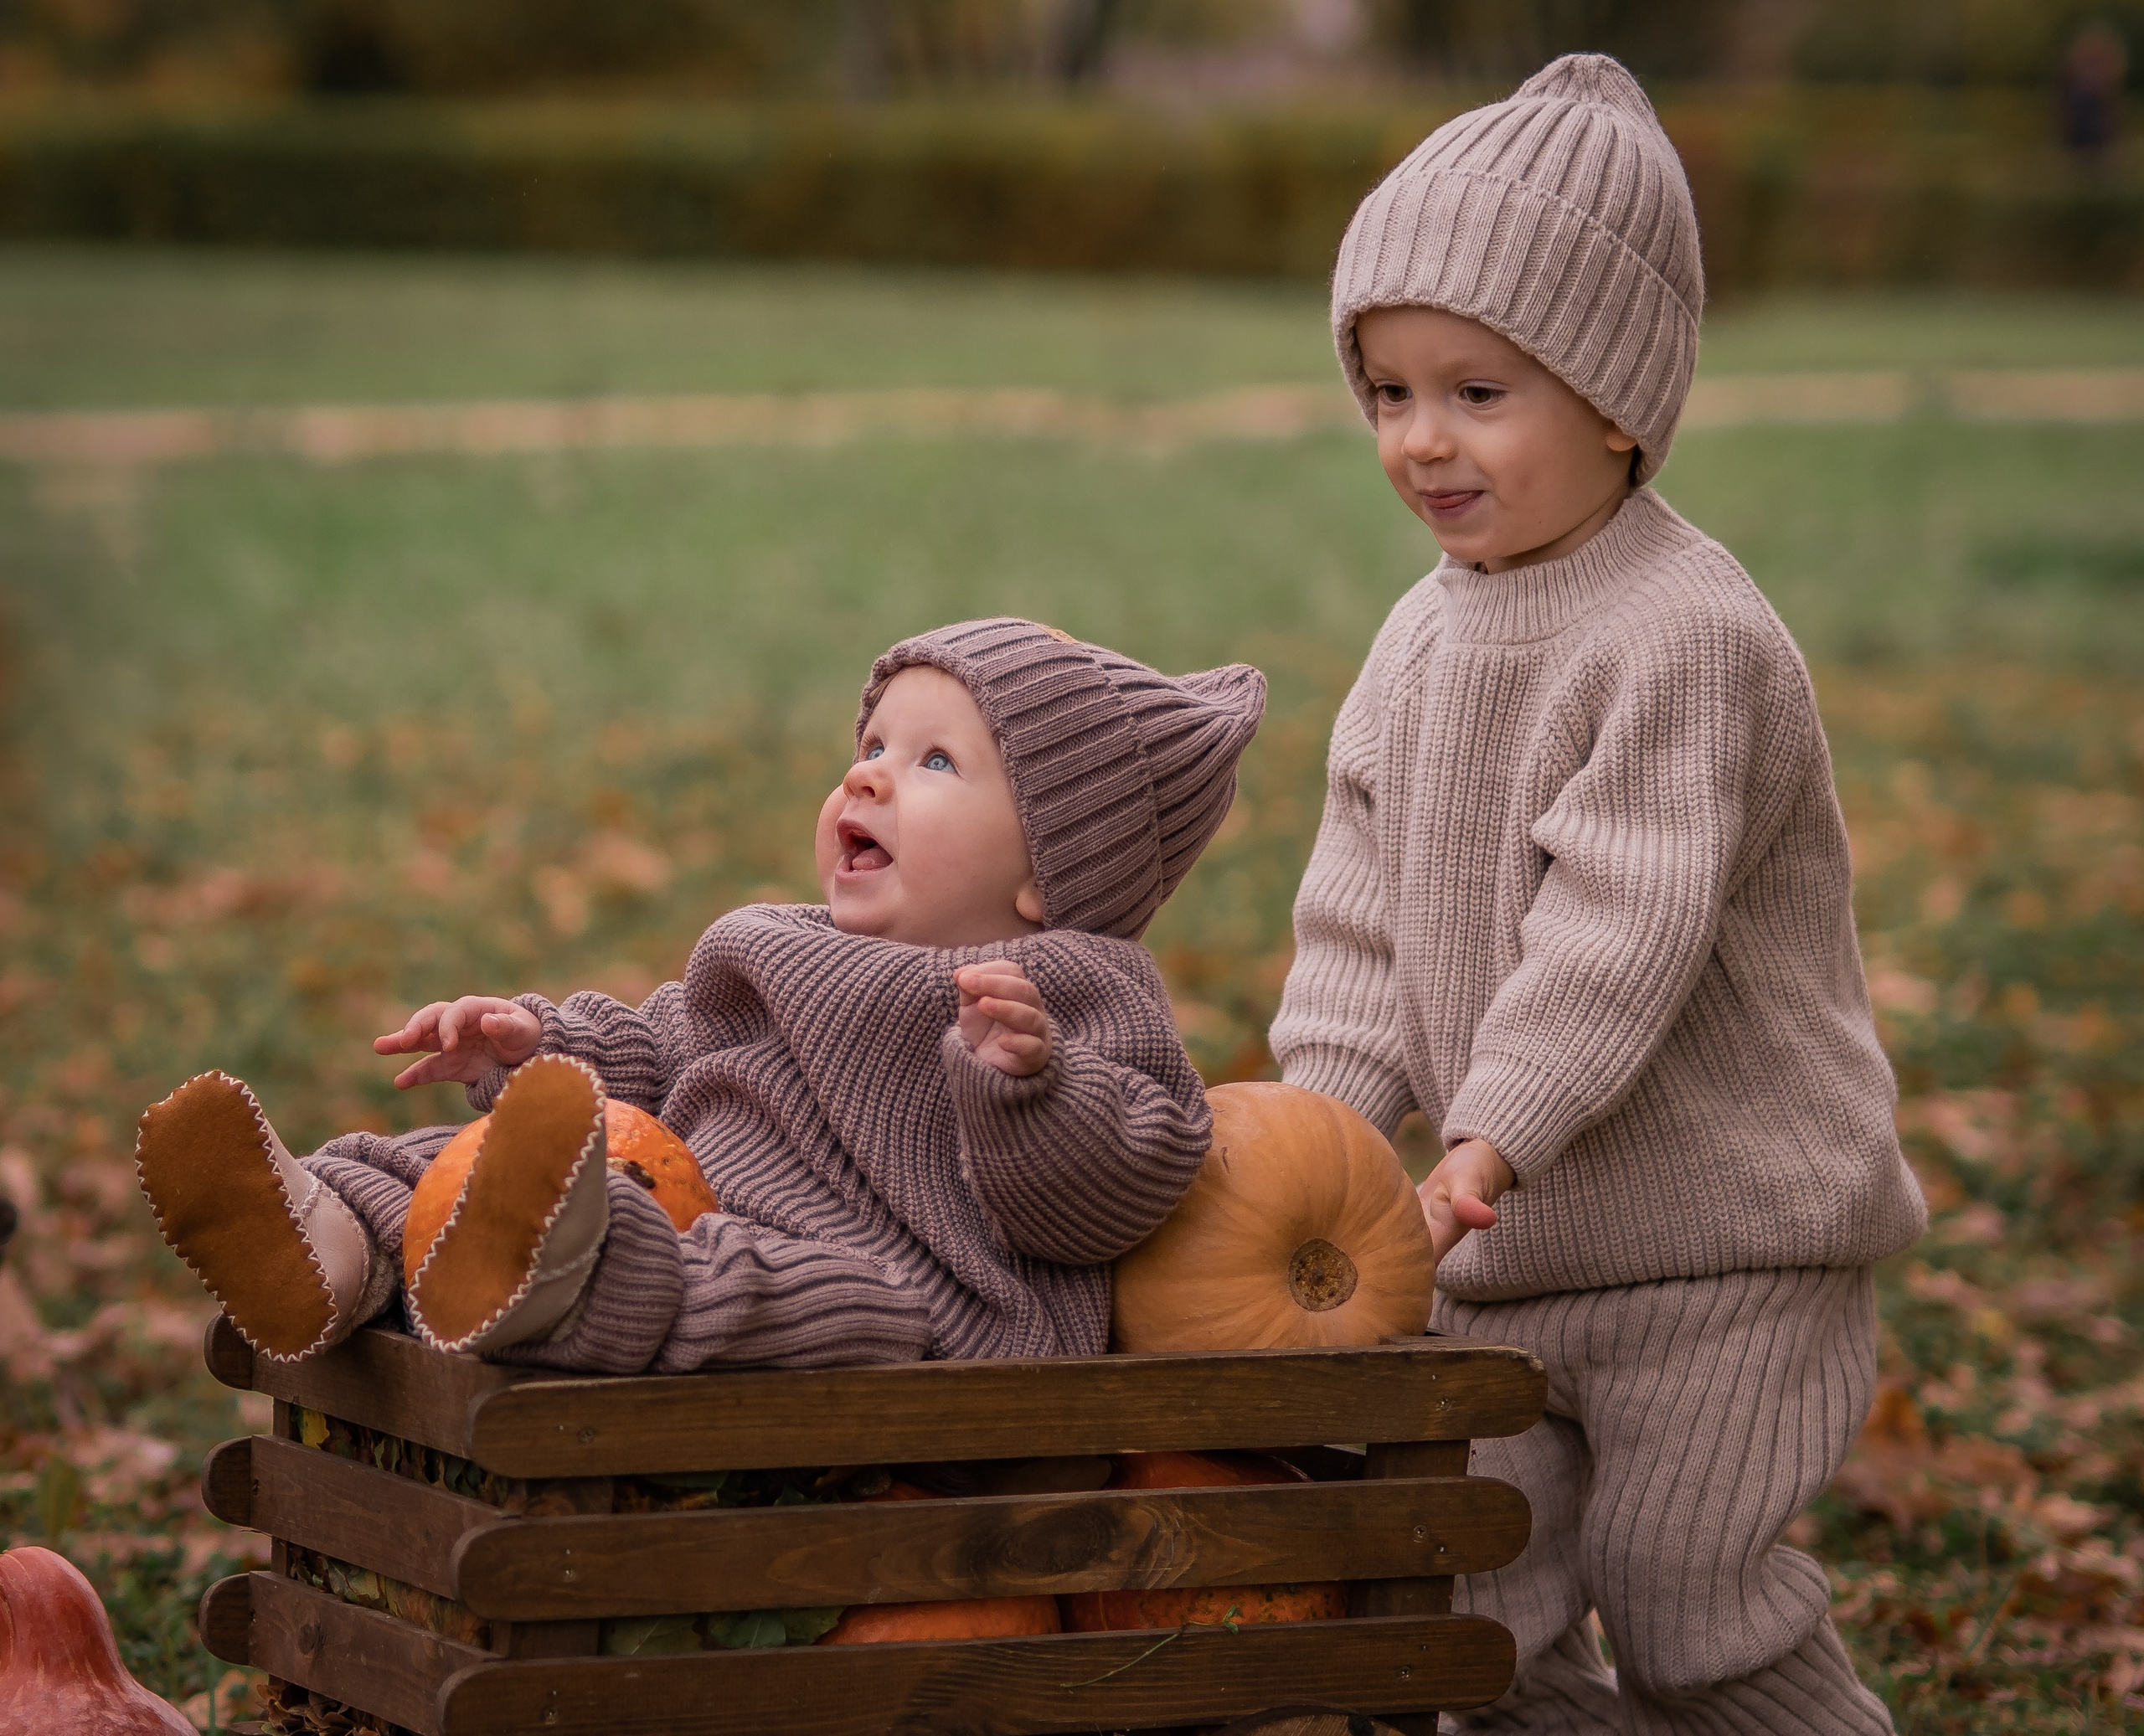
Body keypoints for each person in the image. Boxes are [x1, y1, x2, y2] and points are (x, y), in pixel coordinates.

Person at [1269, 53, 1926, 1733]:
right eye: (1385, 392)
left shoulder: (1682, 635)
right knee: (1470, 1605)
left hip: (1718, 1238)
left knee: (1684, 1596)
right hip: (1503, 1255)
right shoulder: (1418, 635)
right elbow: (1355, 914)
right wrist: (1312, 1162)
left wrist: (1480, 1136)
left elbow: (1615, 930)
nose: (1420, 439)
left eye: (1476, 392)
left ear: (1618, 399)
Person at [137, 619, 1264, 1373]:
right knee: (434, 1161)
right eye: (870, 744)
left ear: (1047, 872)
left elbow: (1125, 1184)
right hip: (687, 1192)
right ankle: (329, 1238)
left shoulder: (1073, 992)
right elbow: (665, 1049)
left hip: (907, 1301)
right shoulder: (777, 942)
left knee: (733, 1283)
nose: (866, 772)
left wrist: (1026, 1086)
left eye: (934, 763)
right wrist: (537, 1046)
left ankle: (550, 1271)